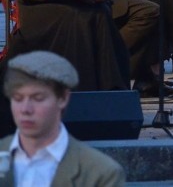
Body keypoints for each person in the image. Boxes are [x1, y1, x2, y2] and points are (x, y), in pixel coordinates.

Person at [0, 51, 125, 186]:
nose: (25, 109)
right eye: (18, 98)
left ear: (63, 98)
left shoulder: (101, 173)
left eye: (38, 98)